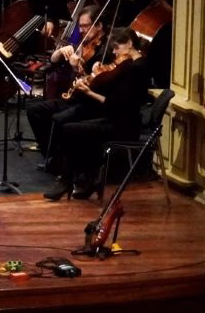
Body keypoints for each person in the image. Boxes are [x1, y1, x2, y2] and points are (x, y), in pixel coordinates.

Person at [38, 27, 152, 200]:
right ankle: (85, 177)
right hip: (117, 118)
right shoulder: (128, 65)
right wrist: (98, 75)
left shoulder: (137, 68)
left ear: (129, 43)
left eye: (116, 48)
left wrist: (89, 92)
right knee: (72, 127)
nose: (114, 52)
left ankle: (71, 179)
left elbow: (118, 103)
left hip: (125, 125)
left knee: (72, 129)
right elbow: (113, 93)